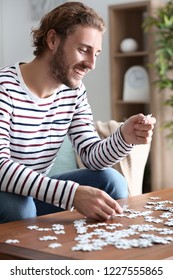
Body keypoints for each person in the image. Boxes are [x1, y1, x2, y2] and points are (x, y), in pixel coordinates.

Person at [0, 2, 156, 223]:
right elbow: (1, 168)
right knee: (20, 206)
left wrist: (124, 137)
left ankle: (105, 252)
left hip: (33, 193)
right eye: (83, 50)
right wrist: (72, 194)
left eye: (97, 54)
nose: (91, 64)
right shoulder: (4, 88)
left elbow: (91, 155)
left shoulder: (73, 91)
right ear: (53, 40)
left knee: (112, 180)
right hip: (6, 194)